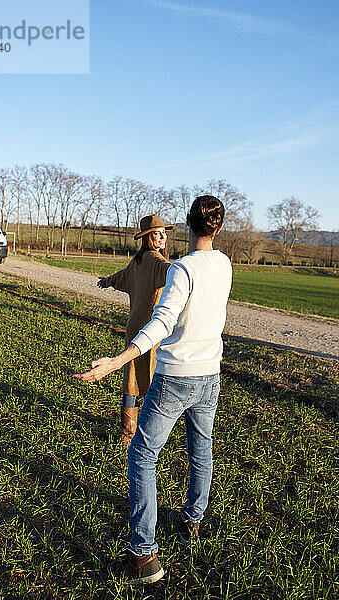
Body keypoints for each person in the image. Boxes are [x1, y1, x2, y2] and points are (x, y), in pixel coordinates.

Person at [75, 195, 232, 585]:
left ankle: (142, 557)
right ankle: (192, 523)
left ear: (190, 225)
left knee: (142, 455)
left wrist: (115, 360)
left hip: (176, 377)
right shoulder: (225, 265)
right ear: (217, 226)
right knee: (202, 451)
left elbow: (161, 323)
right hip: (210, 376)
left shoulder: (182, 269)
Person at [97, 215, 173, 445]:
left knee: (131, 375)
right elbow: (174, 274)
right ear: (147, 238)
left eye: (163, 233)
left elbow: (121, 277)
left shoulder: (137, 261)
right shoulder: (155, 261)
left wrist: (107, 280)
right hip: (151, 330)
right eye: (157, 233)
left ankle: (126, 432)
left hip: (134, 327)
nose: (162, 237)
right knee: (150, 377)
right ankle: (143, 431)